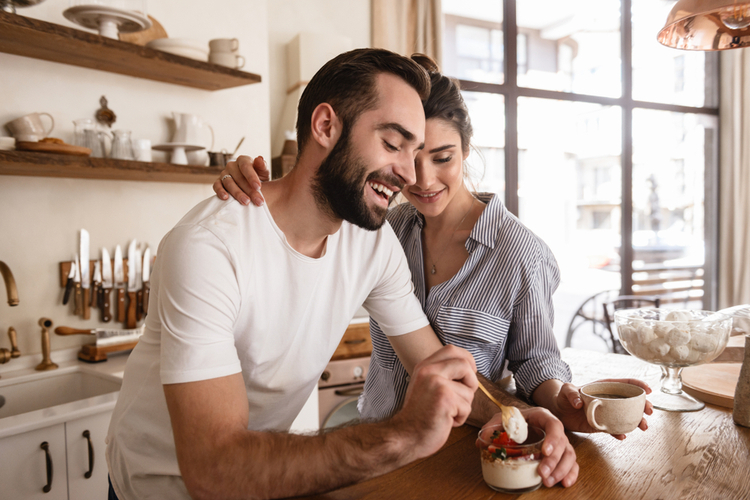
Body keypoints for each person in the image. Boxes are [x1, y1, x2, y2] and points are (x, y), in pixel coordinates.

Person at [214, 54, 654, 489]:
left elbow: (535, 358)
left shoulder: (519, 252)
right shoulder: (385, 228)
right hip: (379, 443)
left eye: (442, 157)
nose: (421, 179)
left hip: (471, 453)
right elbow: (311, 207)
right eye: (405, 154)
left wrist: (561, 402)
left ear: (467, 149)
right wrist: (254, 188)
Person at [107, 48, 483, 500]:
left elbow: (434, 366)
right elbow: (212, 471)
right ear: (325, 126)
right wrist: (402, 434)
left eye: (416, 150)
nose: (408, 173)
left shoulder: (372, 243)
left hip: (260, 480)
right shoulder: (210, 246)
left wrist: (520, 420)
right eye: (392, 144)